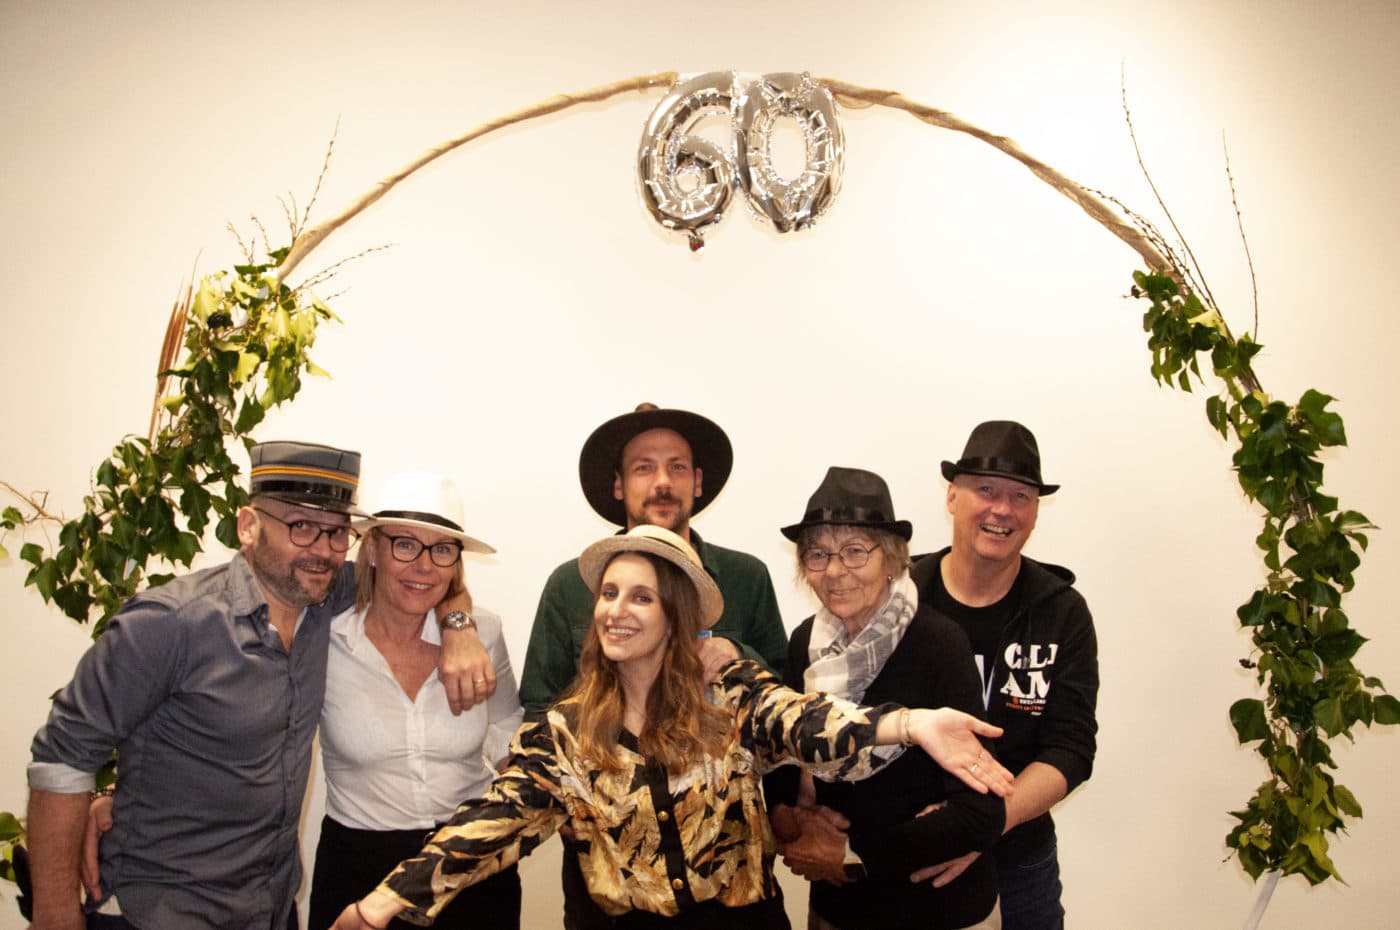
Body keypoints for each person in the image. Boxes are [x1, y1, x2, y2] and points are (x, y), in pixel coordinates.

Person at [331, 525, 1015, 930]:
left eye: (641, 597)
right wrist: (383, 903)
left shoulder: (730, 696)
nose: (616, 610)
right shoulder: (566, 732)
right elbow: (493, 821)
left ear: (674, 616)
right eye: (608, 594)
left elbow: (802, 720)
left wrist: (910, 723)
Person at [26, 442, 490, 930]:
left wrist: (458, 625)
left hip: (269, 909)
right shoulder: (170, 623)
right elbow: (62, 757)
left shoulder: (326, 598)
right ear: (248, 526)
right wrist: (55, 912)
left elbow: (422, 574)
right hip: (162, 911)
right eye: (301, 526)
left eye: (337, 532)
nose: (322, 550)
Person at [517, 403, 790, 928]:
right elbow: (538, 705)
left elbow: (782, 694)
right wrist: (561, 799)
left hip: (726, 873)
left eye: (676, 467)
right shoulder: (569, 586)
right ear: (619, 486)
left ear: (698, 482)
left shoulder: (746, 577)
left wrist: (737, 655)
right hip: (610, 871)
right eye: (644, 468)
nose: (662, 482)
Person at [766, 467, 1004, 930]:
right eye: (818, 554)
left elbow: (981, 812)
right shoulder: (806, 645)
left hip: (938, 911)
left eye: (855, 551)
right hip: (839, 909)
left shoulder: (939, 643)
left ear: (892, 560)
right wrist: (790, 820)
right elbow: (781, 756)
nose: (835, 570)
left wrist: (854, 852)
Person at [307, 471, 524, 930]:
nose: (424, 565)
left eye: (442, 549)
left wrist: (522, 806)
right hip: (359, 867)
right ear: (371, 550)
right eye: (405, 545)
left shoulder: (482, 632)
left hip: (471, 864)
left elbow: (506, 726)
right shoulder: (327, 641)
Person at [909, 422, 1099, 930]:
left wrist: (981, 825)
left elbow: (1071, 748)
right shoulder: (899, 597)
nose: (1003, 509)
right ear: (952, 496)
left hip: (1020, 862)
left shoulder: (1061, 611)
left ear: (1035, 512)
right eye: (986, 490)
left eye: (1021, 496)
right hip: (911, 856)